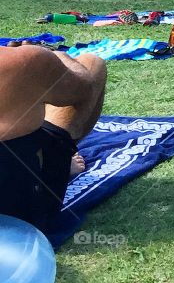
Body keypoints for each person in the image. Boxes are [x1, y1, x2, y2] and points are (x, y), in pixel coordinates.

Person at [0, 44, 107, 237]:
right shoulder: (25, 59)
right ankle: (57, 163)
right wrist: (56, 56)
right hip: (18, 218)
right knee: (92, 63)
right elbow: (84, 89)